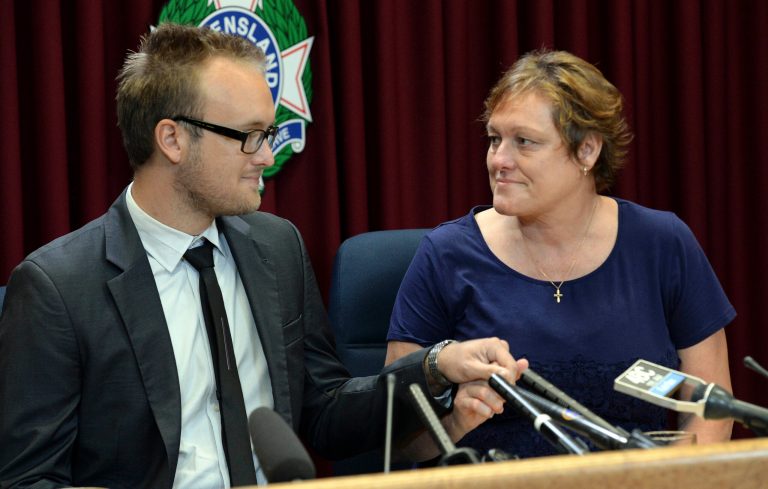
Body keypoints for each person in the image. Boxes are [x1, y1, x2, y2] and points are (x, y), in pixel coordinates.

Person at [0, 24, 527, 488]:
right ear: (172, 139)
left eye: (267, 134)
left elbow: (324, 414)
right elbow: (27, 478)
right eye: (250, 137)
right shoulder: (58, 288)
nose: (268, 157)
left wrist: (434, 366)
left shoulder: (276, 247)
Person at [386, 49, 734, 459]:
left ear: (587, 151)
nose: (499, 160)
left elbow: (712, 409)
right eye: (495, 139)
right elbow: (398, 440)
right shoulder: (445, 256)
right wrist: (456, 421)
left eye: (524, 142)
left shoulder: (663, 244)